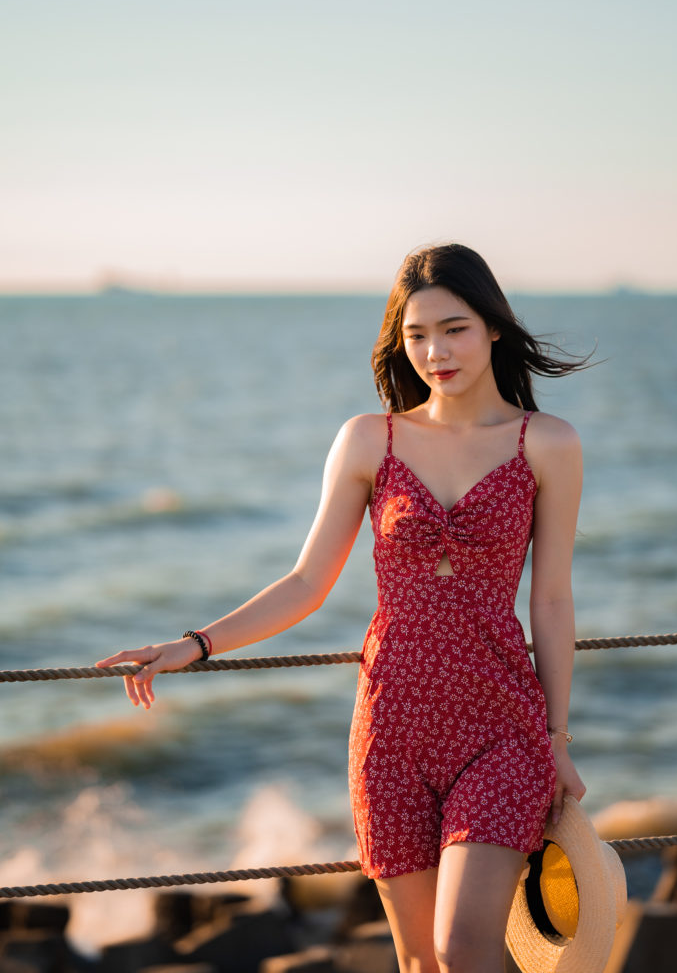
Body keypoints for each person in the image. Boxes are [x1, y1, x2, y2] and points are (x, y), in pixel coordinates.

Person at [97, 243, 588, 973]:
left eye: (452, 329)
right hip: (391, 730)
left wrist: (556, 739)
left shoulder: (545, 443)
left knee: (465, 949)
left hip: (502, 730)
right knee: (420, 961)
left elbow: (550, 599)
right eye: (415, 335)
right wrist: (195, 644)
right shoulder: (371, 439)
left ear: (492, 326)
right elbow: (305, 582)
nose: (434, 352)